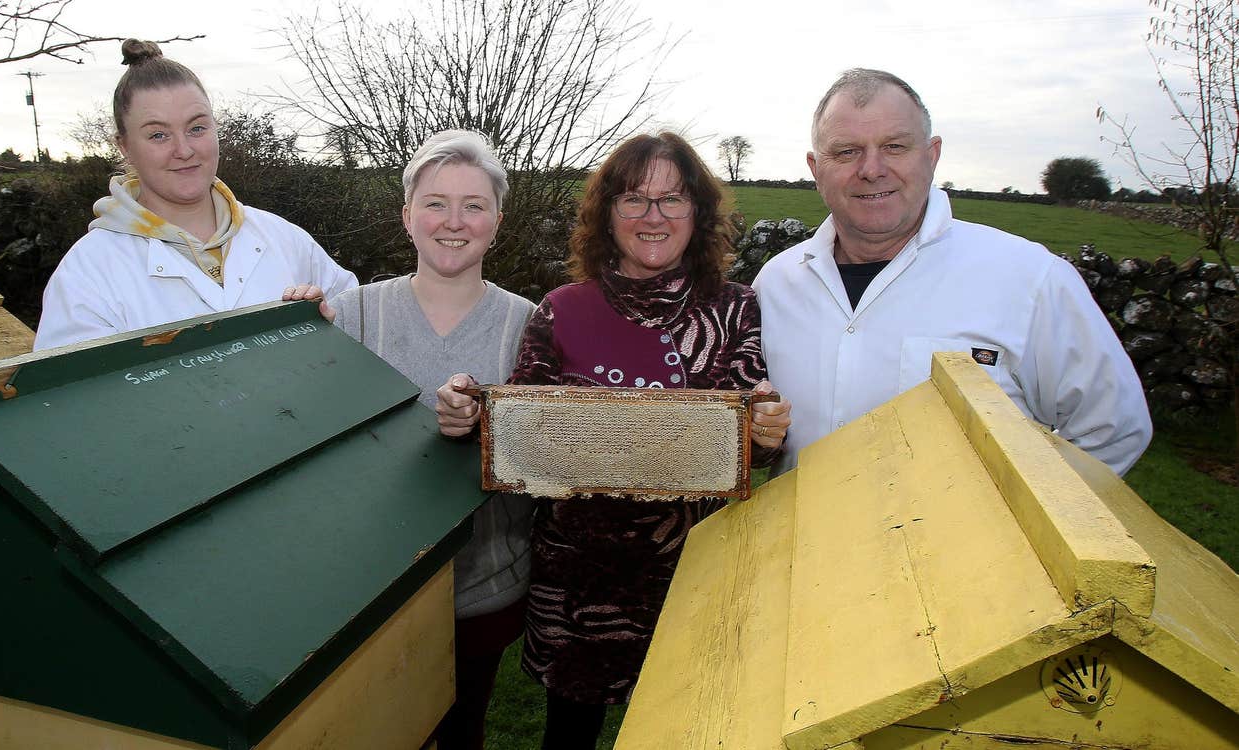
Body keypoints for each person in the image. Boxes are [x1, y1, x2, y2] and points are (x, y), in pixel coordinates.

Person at [436, 132, 792, 749]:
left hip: (693, 571)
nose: (653, 217)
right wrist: (474, 412)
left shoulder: (735, 309)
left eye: (672, 199)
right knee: (568, 740)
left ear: (698, 213)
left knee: (683, 733)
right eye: (634, 199)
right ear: (607, 214)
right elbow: (522, 432)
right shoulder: (561, 309)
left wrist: (763, 430)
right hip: (578, 586)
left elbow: (747, 430)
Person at [753, 68, 1151, 476]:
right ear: (815, 168)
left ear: (932, 155)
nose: (872, 169)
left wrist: (1019, 526)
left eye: (894, 146)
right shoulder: (775, 284)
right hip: (799, 539)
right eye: (846, 152)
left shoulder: (1031, 278)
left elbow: (1113, 430)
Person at [320, 130, 535, 750]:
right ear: (407, 215)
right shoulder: (351, 316)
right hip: (369, 590)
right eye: (436, 202)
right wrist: (294, 333)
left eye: (474, 204)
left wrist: (487, 426)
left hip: (483, 585)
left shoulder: (530, 324)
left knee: (462, 731)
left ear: (497, 220)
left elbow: (551, 448)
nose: (454, 221)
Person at [34, 39, 356, 350]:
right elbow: (72, 397)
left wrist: (327, 329)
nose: (184, 150)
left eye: (197, 128)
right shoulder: (87, 273)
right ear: (125, 146)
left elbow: (361, 327)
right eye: (158, 135)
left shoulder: (284, 240)